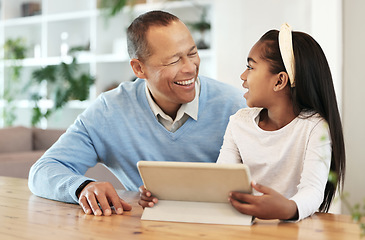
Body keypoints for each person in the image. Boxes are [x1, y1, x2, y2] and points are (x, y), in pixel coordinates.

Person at [28, 10, 245, 216]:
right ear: (139, 69)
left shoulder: (235, 106)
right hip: (143, 228)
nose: (190, 68)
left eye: (193, 53)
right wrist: (83, 187)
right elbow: (43, 170)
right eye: (174, 60)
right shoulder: (109, 111)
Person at [139, 23, 346, 222]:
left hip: (296, 230)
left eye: (250, 67)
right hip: (246, 227)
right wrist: (163, 197)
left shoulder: (314, 128)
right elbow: (220, 180)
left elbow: (313, 190)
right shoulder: (239, 122)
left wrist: (287, 209)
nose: (243, 76)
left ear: (279, 81)